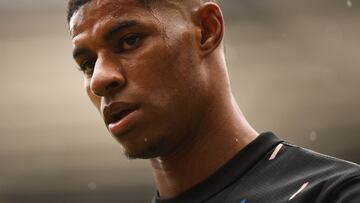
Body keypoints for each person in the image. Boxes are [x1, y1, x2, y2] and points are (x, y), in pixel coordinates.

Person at [66, 0, 360, 202]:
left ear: (207, 30)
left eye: (129, 41)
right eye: (88, 63)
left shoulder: (335, 194)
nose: (100, 80)